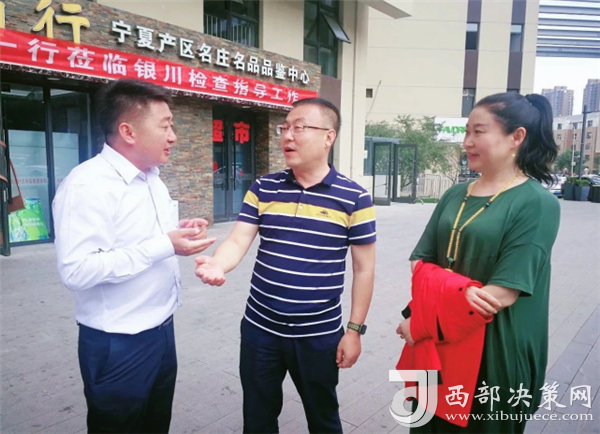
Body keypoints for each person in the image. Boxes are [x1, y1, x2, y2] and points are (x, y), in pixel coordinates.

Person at [195, 98, 376, 434]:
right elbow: (238, 240)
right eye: (285, 127)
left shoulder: (354, 197)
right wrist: (218, 264)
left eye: (299, 127)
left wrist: (353, 332)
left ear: (329, 137)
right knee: (258, 417)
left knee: (323, 418)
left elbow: (364, 270)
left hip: (318, 335)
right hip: (260, 329)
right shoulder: (264, 188)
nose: (288, 136)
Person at [53, 79, 216, 433]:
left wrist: (180, 231)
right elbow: (76, 270)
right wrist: (165, 245)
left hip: (162, 331)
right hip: (117, 343)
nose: (173, 136)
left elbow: (145, 238)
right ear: (128, 131)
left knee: (156, 424)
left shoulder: (152, 178)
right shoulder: (87, 185)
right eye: (165, 126)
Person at [397, 92, 560, 433]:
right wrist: (450, 299)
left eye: (479, 132)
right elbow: (419, 261)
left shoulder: (537, 203)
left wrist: (423, 323)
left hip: (494, 347)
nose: (467, 142)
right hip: (436, 343)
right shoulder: (456, 194)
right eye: (466, 132)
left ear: (517, 137)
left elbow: (500, 295)